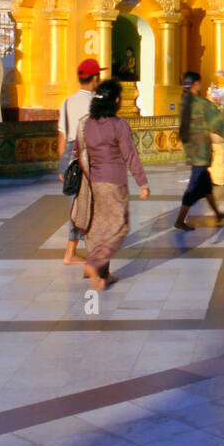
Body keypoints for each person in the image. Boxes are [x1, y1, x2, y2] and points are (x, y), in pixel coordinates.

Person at [74, 79, 150, 290]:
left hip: (96, 183)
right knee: (120, 227)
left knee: (101, 228)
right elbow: (130, 155)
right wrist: (143, 183)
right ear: (116, 101)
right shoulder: (118, 125)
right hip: (115, 182)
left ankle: (105, 276)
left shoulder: (88, 123)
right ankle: (94, 264)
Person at [175, 71, 224, 231]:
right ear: (195, 84)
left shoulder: (183, 103)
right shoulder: (201, 104)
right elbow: (216, 122)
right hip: (201, 150)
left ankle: (217, 213)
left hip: (191, 148)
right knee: (194, 186)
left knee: (206, 185)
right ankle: (180, 220)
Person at [58, 58, 104, 265]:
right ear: (94, 78)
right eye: (98, 76)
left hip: (70, 154)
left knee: (78, 203)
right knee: (87, 203)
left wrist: (62, 166)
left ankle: (78, 248)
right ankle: (71, 252)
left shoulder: (67, 102)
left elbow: (62, 136)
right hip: (88, 154)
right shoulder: (96, 104)